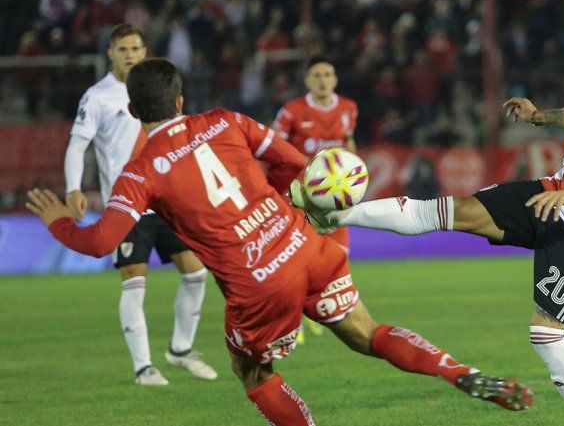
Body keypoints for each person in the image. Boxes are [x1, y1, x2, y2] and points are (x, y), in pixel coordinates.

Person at [28, 58, 532, 425]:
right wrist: (286, 201)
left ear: (135, 110)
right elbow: (297, 163)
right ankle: (457, 371)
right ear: (182, 100)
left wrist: (56, 222)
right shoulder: (227, 121)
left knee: (251, 371)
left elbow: (99, 242)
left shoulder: (140, 173)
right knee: (368, 332)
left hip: (256, 284)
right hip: (306, 245)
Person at [296, 0, 564, 426]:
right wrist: (541, 117)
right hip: (550, 196)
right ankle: (333, 216)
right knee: (447, 210)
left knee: (545, 334)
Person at [63, 24, 216, 385]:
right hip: (127, 204)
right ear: (110, 53)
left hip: (167, 199)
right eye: (122, 49)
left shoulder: (157, 87)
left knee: (196, 272)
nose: (130, 54)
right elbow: (77, 144)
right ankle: (143, 366)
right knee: (135, 280)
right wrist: (73, 187)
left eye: (135, 48)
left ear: (145, 51)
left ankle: (180, 349)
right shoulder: (98, 96)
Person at [272, 56, 359, 342]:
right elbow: (275, 147)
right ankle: (292, 318)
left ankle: (328, 309)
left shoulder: (348, 108)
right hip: (300, 199)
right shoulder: (292, 110)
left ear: (335, 80)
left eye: (328, 74)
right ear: (308, 81)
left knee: (338, 257)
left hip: (334, 198)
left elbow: (348, 143)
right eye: (317, 75)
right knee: (296, 260)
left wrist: (354, 177)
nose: (323, 80)